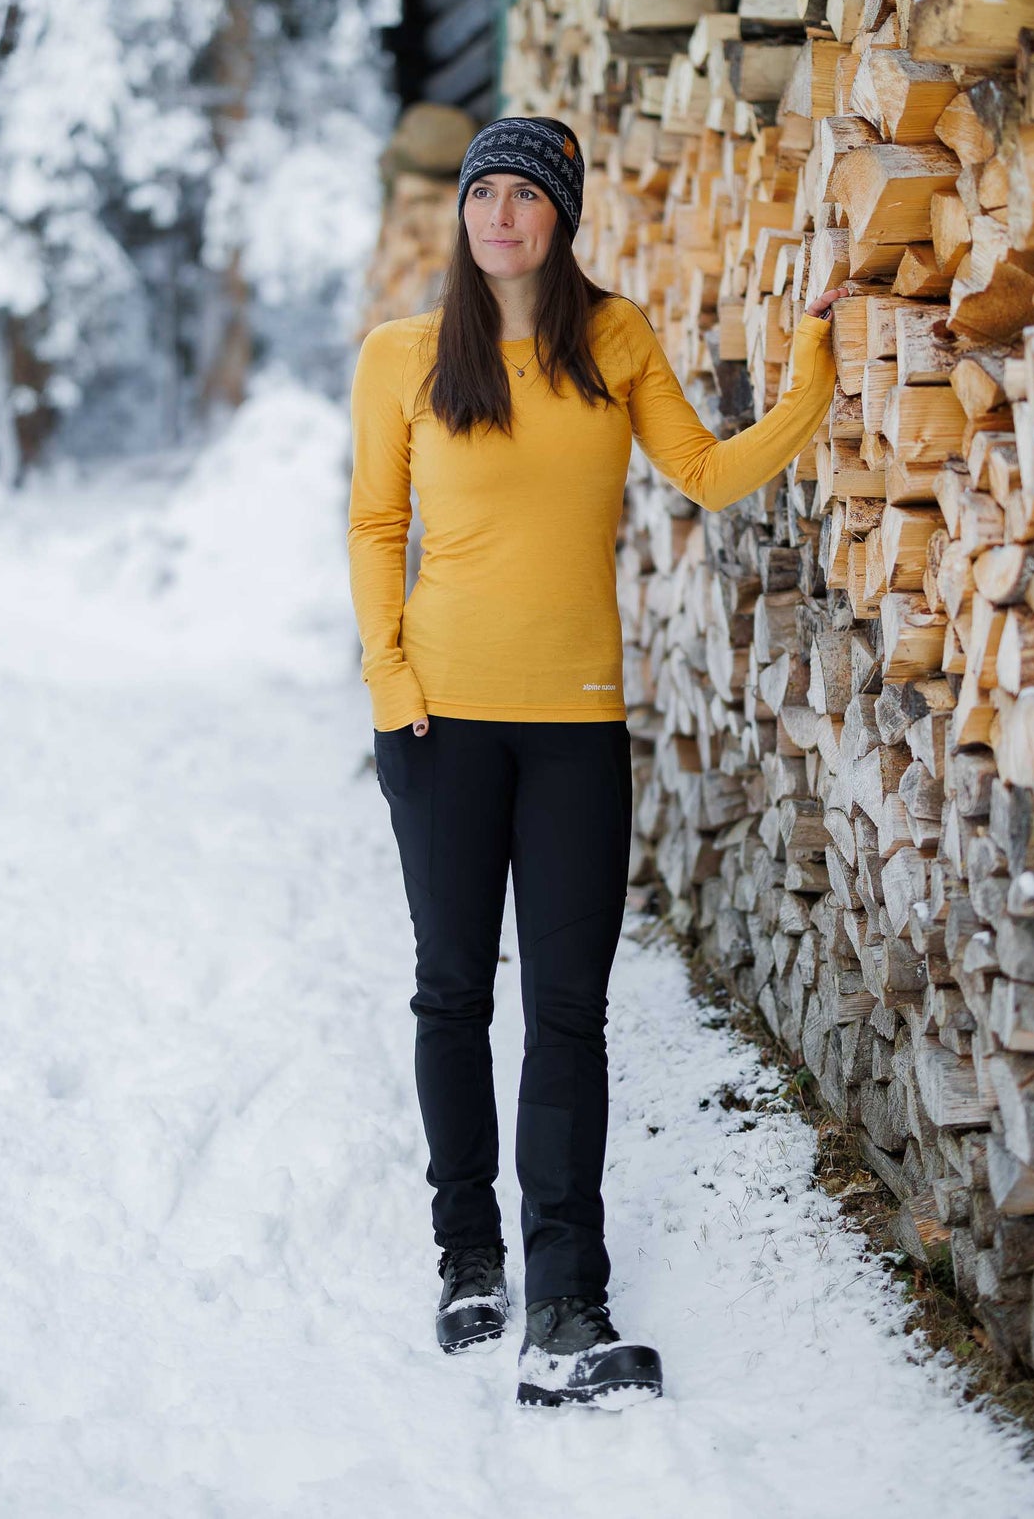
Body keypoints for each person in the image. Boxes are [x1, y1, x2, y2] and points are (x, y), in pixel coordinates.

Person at [347, 114, 840, 1409]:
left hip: (574, 726)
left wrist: (811, 368)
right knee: (452, 991)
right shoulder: (402, 354)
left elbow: (708, 472)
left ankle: (566, 1297)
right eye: (482, 192)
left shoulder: (610, 340)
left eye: (524, 195)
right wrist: (390, 681)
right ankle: (469, 1255)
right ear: (461, 211)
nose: (498, 214)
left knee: (568, 1010)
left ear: (561, 215)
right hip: (438, 726)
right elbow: (374, 522)